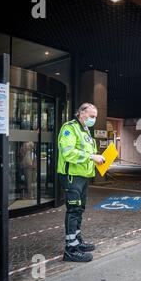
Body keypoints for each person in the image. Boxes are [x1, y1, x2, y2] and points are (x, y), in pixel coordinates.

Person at [57, 103, 106, 262]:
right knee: (73, 210)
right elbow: (68, 152)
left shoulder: (85, 130)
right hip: (71, 175)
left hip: (82, 176)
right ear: (81, 113)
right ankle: (70, 250)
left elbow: (87, 152)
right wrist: (92, 157)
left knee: (79, 209)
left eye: (95, 117)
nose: (94, 119)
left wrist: (97, 157)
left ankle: (77, 242)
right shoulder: (69, 128)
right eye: (92, 116)